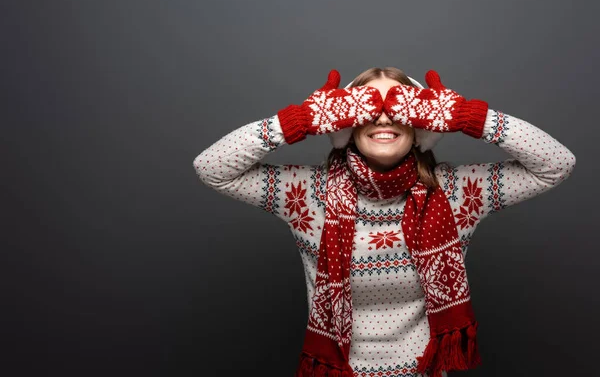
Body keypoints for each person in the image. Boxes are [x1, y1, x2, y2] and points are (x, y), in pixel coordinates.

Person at [193, 67, 576, 377]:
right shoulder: (306, 194)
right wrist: (301, 119)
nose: (382, 115)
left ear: (422, 125)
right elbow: (211, 169)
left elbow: (556, 164)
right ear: (343, 125)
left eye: (401, 105)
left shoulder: (459, 192)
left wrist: (469, 118)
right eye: (364, 106)